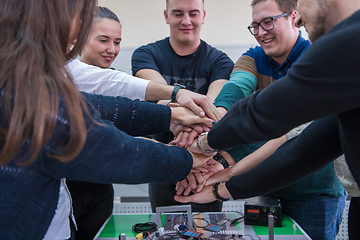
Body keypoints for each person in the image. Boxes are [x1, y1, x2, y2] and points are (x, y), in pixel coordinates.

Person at [0, 0, 216, 239]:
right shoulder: (25, 92)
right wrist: (187, 157)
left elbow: (97, 103)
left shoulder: (29, 74)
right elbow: (114, 151)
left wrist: (169, 115)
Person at [175, 0, 360, 238]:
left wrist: (204, 143)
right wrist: (224, 188)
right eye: (255, 25)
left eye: (269, 22)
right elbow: (307, 149)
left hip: (316, 192)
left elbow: (266, 115)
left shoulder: (344, 46)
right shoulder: (255, 58)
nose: (300, 21)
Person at [131, 0, 234, 213]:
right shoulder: (145, 55)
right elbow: (161, 98)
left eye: (193, 13)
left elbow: (212, 111)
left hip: (205, 168)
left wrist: (194, 159)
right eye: (178, 13)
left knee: (209, 233)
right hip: (163, 164)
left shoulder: (221, 62)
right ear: (166, 15)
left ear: (203, 16)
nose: (186, 21)